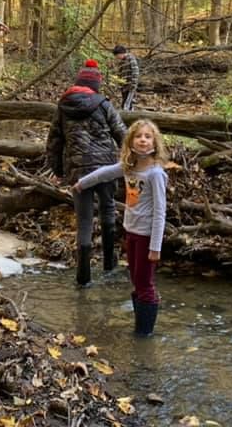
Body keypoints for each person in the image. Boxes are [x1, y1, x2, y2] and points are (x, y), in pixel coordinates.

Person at [73, 119, 168, 337]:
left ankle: (144, 335)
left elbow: (160, 212)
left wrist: (155, 247)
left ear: (154, 142)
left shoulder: (155, 174)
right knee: (135, 279)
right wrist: (82, 183)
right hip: (131, 231)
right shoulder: (130, 167)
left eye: (148, 136)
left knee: (145, 283)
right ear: (131, 140)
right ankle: (139, 326)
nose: (143, 140)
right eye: (138, 136)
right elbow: (105, 172)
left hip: (146, 235)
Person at [46, 59, 127, 287]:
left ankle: (83, 279)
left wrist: (58, 170)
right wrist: (133, 158)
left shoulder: (63, 105)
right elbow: (121, 131)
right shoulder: (103, 104)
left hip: (78, 169)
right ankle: (109, 267)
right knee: (108, 210)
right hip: (106, 166)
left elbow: (54, 141)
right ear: (96, 85)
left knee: (83, 221)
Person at [112, 45, 140, 110]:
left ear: (121, 53)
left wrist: (133, 84)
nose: (116, 57)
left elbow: (135, 72)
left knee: (126, 105)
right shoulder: (121, 62)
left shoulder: (131, 58)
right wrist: (118, 83)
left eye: (117, 55)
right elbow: (120, 74)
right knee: (127, 104)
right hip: (124, 87)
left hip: (130, 86)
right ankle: (131, 116)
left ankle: (126, 117)